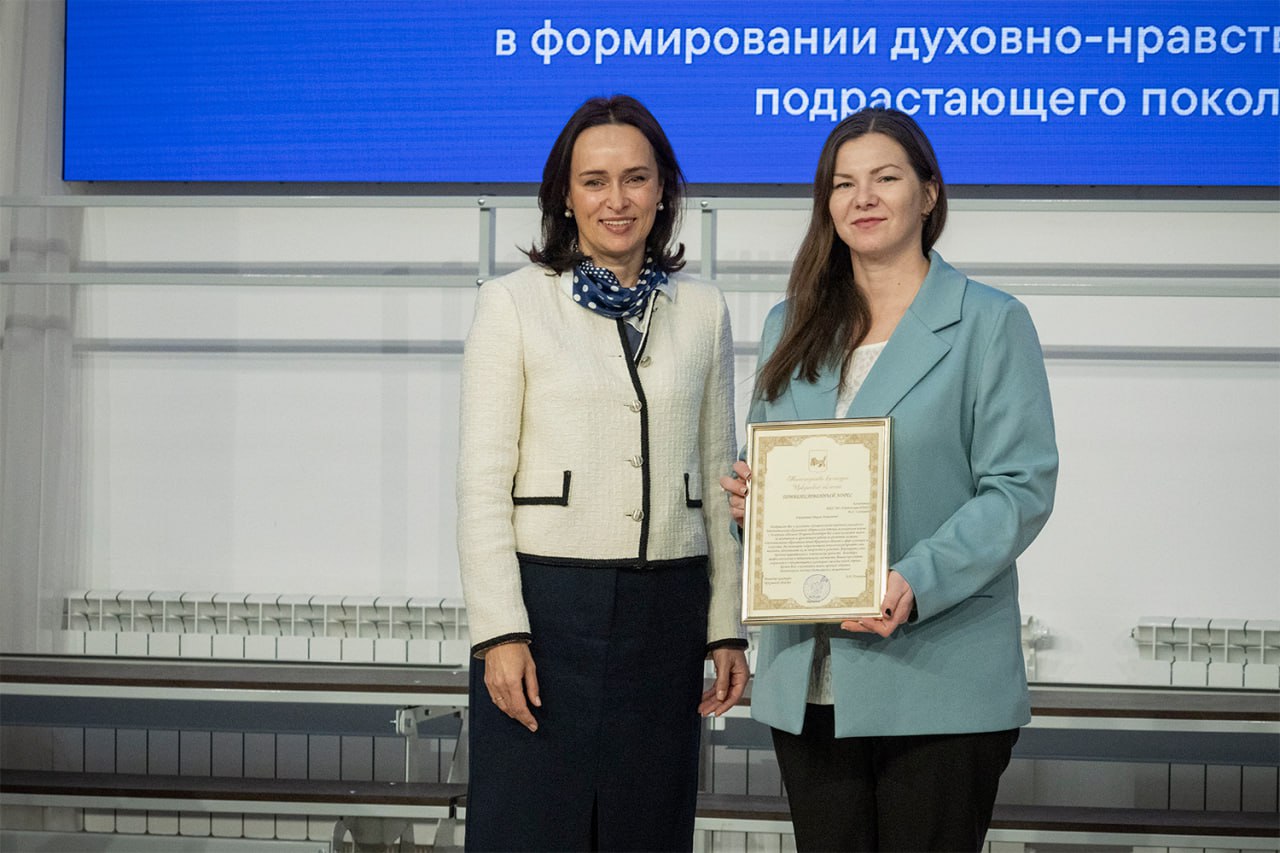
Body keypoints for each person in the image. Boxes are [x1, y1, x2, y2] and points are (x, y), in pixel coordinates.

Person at [720, 108, 1058, 851]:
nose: (862, 198)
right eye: (843, 183)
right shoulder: (789, 324)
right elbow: (771, 471)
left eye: (886, 178)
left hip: (938, 677)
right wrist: (753, 506)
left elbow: (1018, 488)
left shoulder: (989, 322)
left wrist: (915, 578)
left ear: (929, 194)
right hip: (807, 682)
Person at [456, 94, 750, 852]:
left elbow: (718, 475)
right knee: (529, 831)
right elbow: (481, 487)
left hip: (668, 614)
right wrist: (499, 633)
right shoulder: (511, 304)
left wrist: (726, 627)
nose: (616, 200)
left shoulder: (704, 309)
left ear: (663, 191)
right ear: (564, 195)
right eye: (594, 181)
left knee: (646, 829)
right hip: (547, 614)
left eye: (635, 179)